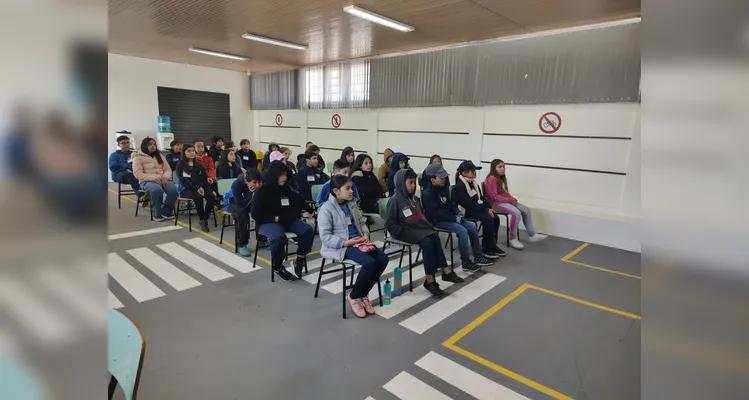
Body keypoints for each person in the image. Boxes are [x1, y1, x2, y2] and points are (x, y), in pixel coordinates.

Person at [385, 168, 464, 297]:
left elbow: (420, 218)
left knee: (434, 237)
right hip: (401, 231)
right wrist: (406, 231)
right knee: (427, 242)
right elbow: (390, 224)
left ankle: (442, 272)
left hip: (416, 229)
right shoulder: (394, 200)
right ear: (400, 183)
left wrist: (424, 228)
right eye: (410, 183)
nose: (413, 186)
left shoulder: (414, 199)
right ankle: (432, 279)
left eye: (414, 183)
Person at [319, 175, 388, 318]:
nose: (352, 191)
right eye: (348, 189)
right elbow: (325, 237)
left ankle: (363, 294)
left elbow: (362, 223)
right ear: (336, 191)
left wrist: (366, 235)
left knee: (383, 259)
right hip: (343, 245)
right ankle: (354, 296)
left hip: (359, 242)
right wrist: (346, 243)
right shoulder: (326, 208)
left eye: (352, 188)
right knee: (369, 263)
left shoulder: (352, 204)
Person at [422, 163, 496, 271]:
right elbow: (436, 213)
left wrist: (458, 213)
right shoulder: (427, 194)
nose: (444, 179)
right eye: (441, 177)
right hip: (437, 221)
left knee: (471, 226)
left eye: (444, 176)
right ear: (432, 179)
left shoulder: (445, 189)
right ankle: (465, 261)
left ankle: (478, 256)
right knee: (462, 231)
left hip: (452, 217)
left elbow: (452, 204)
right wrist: (454, 218)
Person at [251, 160, 315, 281]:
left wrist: (312, 212)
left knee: (307, 230)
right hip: (267, 222)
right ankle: (278, 266)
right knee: (278, 238)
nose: (284, 178)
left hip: (287, 220)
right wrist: (274, 218)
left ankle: (299, 261)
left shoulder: (287, 189)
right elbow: (255, 214)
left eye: (285, 174)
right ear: (274, 175)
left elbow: (300, 200)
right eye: (281, 175)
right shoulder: (262, 191)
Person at [484, 159, 547, 250]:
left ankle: (532, 235)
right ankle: (513, 238)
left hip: (503, 201)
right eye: (499, 167)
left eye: (503, 166)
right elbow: (494, 197)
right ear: (494, 168)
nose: (502, 169)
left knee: (526, 210)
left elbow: (504, 193)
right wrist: (509, 200)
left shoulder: (501, 178)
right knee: (516, 213)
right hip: (494, 204)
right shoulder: (491, 179)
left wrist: (512, 199)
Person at [452, 161, 507, 258]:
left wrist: (488, 207)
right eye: (472, 170)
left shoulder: (473, 183)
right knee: (488, 219)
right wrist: (485, 210)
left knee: (495, 218)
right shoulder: (460, 186)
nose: (474, 172)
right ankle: (486, 249)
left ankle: (492, 244)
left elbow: (481, 198)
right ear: (464, 173)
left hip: (476, 208)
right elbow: (467, 204)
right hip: (466, 211)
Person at [132, 137, 177, 221]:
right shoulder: (137, 158)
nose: (153, 146)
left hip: (163, 179)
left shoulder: (159, 156)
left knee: (173, 190)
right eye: (150, 144)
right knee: (157, 190)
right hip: (146, 181)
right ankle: (157, 213)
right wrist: (154, 178)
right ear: (145, 146)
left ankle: (166, 211)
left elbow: (167, 169)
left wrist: (165, 177)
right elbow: (138, 174)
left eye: (154, 144)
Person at [176, 144, 216, 232]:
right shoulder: (180, 165)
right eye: (189, 151)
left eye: (193, 151)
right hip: (186, 189)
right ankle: (202, 218)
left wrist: (202, 187)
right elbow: (184, 182)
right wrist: (196, 188)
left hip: (200, 187)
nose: (191, 153)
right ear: (184, 153)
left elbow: (204, 179)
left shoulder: (199, 165)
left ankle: (204, 220)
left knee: (211, 196)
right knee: (198, 197)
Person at [224, 169, 262, 256]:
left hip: (246, 202)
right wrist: (250, 194)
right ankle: (242, 244)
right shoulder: (236, 185)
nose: (257, 185)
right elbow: (241, 205)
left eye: (259, 182)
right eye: (254, 182)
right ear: (246, 181)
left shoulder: (258, 185)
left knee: (259, 210)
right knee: (242, 215)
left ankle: (261, 239)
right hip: (232, 203)